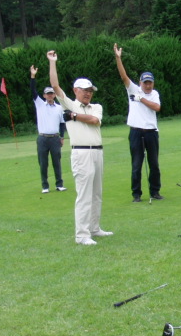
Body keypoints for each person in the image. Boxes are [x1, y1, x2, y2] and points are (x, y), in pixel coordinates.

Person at [47, 50, 113, 246]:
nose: (88, 93)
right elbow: (55, 86)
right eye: (85, 90)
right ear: (76, 90)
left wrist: (74, 116)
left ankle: (94, 228)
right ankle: (82, 234)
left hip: (97, 151)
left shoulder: (96, 107)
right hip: (81, 152)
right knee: (84, 194)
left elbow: (94, 120)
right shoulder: (69, 104)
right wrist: (52, 62)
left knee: (97, 193)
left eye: (90, 90)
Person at [114, 43, 163, 202]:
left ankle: (155, 191)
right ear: (140, 82)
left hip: (151, 132)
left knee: (154, 164)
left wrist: (141, 99)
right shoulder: (133, 89)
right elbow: (123, 76)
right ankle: (136, 194)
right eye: (145, 83)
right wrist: (118, 58)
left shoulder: (153, 94)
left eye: (150, 82)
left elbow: (157, 107)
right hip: (136, 132)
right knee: (136, 165)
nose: (148, 85)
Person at [30, 65, 67, 193]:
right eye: (48, 94)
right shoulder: (40, 104)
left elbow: (62, 124)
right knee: (43, 163)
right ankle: (45, 186)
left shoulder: (59, 107)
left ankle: (59, 184)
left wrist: (62, 137)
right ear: (44, 95)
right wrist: (33, 76)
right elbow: (33, 91)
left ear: (54, 95)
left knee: (57, 162)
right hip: (42, 138)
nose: (50, 95)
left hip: (55, 138)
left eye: (52, 93)